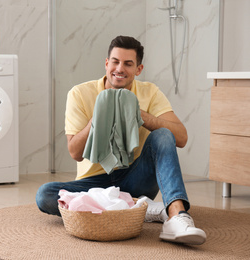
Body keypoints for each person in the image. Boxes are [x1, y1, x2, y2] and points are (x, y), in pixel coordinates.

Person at [36, 35, 207, 245]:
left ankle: (176, 216)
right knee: (45, 194)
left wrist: (138, 114)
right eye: (115, 61)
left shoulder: (150, 92)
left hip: (136, 176)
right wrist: (97, 117)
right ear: (106, 63)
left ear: (138, 69)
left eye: (128, 64)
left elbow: (180, 137)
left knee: (162, 134)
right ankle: (139, 207)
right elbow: (75, 152)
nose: (120, 68)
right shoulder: (80, 93)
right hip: (95, 184)